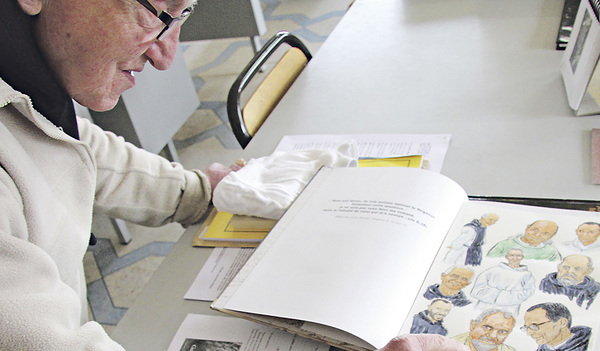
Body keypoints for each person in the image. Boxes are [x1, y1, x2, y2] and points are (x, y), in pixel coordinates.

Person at [0, 0, 465, 349]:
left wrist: (201, 191)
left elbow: (80, 148)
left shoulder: (29, 78)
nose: (165, 56)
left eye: (182, 17)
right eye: (157, 12)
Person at [470, 248, 535, 315]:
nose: (515, 258)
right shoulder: (493, 270)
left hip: (510, 308)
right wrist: (494, 296)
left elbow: (528, 291)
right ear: (507, 257)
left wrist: (507, 298)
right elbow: (478, 288)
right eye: (512, 255)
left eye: (518, 256)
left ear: (522, 257)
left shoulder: (526, 275)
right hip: (485, 306)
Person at [522, 302, 591, 351]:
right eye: (526, 328)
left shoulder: (590, 344)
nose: (529, 333)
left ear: (562, 323)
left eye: (534, 326)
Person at [487, 220, 561, 261]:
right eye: (535, 230)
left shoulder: (551, 252)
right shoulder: (505, 245)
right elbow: (489, 262)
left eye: (546, 233)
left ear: (551, 236)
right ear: (527, 228)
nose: (537, 235)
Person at [451, 309, 516, 351]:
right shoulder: (450, 345)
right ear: (473, 325)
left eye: (502, 332)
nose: (493, 336)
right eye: (487, 327)